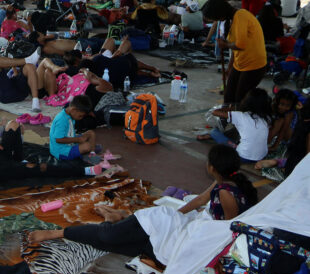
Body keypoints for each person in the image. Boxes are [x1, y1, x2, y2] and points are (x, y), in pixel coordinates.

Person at [28, 145, 259, 264]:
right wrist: (173, 217)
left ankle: (115, 219)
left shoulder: (226, 191)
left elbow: (229, 227)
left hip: (193, 233)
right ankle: (56, 233)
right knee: (109, 237)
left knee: (124, 246)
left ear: (213, 168)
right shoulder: (223, 184)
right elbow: (199, 200)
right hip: (179, 225)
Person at [202, 0, 266, 105]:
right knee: (228, 96)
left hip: (254, 65)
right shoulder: (232, 19)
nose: (217, 21)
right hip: (240, 63)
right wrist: (230, 67)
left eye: (216, 18)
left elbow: (240, 45)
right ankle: (228, 117)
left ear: (221, 13)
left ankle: (237, 119)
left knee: (239, 99)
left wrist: (225, 44)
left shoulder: (241, 16)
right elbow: (235, 49)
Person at [197, 88, 271, 163]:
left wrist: (235, 107)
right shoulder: (266, 118)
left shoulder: (240, 115)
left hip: (242, 157)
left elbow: (215, 112)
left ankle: (213, 137)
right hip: (261, 156)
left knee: (214, 132)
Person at [255, 103, 310, 178]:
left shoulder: (302, 121)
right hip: (297, 168)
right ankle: (280, 162)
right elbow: (307, 158)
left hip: (292, 161)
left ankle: (279, 162)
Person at [50, 95, 96, 161]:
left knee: (91, 133)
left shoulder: (71, 114)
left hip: (70, 143)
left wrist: (78, 139)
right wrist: (77, 140)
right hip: (61, 151)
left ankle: (92, 153)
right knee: (87, 146)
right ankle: (89, 149)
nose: (81, 118)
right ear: (73, 110)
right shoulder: (61, 119)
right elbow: (58, 139)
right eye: (80, 116)